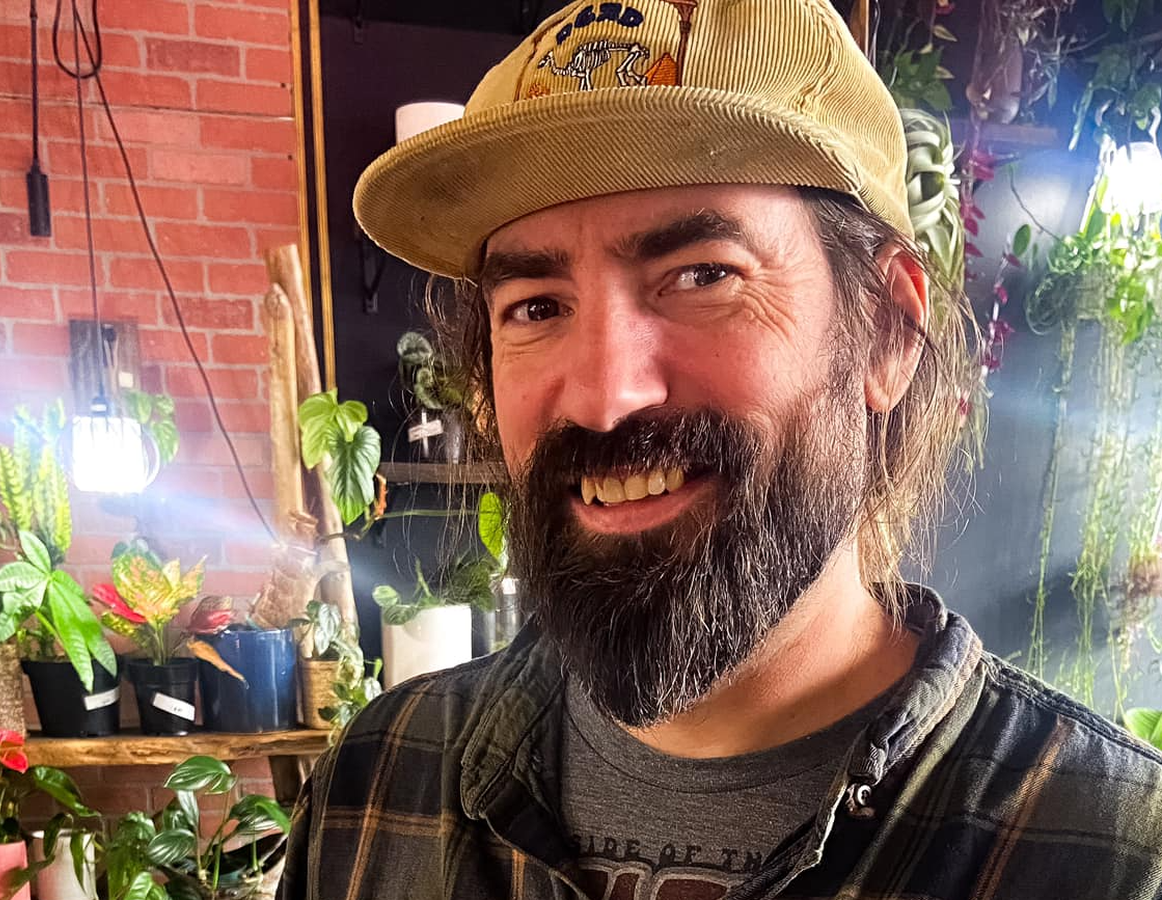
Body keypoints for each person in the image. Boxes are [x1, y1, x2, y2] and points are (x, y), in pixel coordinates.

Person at [279, 1, 1162, 897]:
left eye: (703, 275)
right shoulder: (376, 786)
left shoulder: (1115, 855)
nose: (604, 397)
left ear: (887, 332)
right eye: (536, 307)